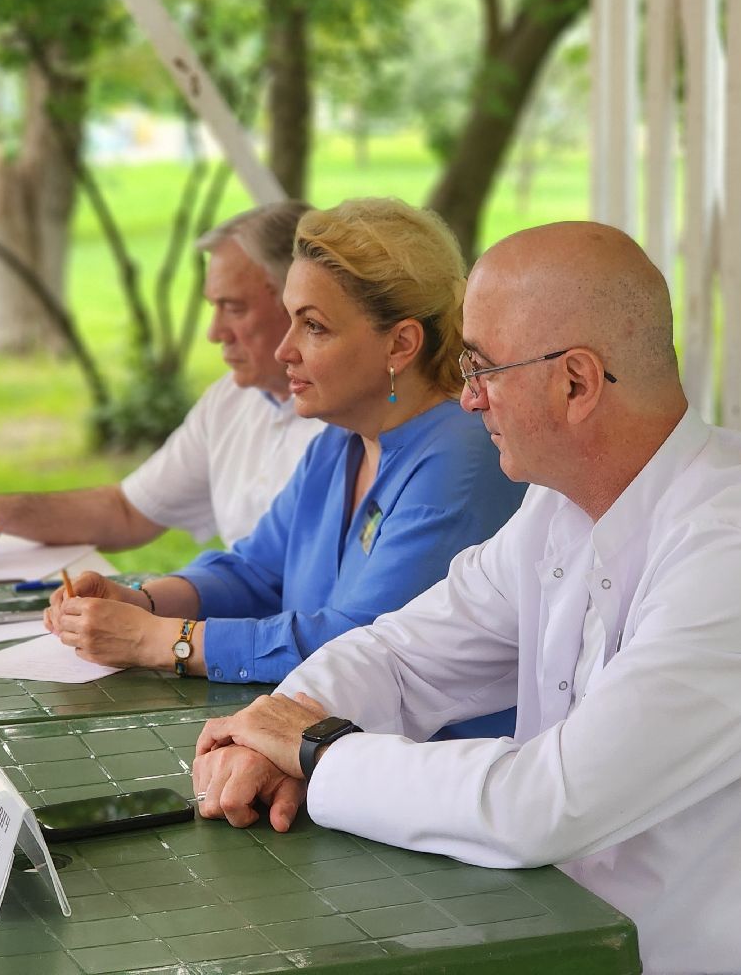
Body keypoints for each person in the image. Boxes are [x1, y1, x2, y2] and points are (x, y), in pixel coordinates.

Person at [188, 221, 741, 973]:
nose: (466, 399)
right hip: (578, 923)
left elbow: (539, 808)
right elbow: (404, 652)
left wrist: (313, 752)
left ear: (575, 382)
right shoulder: (563, 504)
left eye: (481, 367)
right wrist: (275, 726)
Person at [45, 198, 527, 702]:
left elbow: (357, 646)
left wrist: (160, 640)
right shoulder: (340, 441)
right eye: (289, 320)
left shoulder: (460, 458)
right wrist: (142, 601)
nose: (284, 350)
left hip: (432, 767)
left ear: (400, 345)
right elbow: (257, 572)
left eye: (313, 325)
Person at [0, 200, 324, 564]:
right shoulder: (232, 401)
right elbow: (128, 510)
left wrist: (166, 625)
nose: (214, 332)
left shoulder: (353, 421)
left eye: (233, 308)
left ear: (302, 303)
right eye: (213, 308)